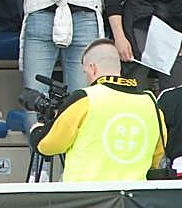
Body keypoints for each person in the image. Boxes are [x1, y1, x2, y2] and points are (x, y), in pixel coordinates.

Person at [31, 39, 165, 181]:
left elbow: (48, 146)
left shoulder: (85, 98)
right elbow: (157, 156)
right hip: (133, 198)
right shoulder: (151, 103)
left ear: (92, 68)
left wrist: (37, 130)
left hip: (87, 198)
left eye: (85, 72)